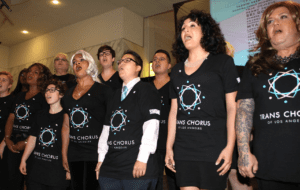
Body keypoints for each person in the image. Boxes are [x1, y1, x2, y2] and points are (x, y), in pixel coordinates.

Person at [166, 10, 239, 190]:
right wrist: (169, 146)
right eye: (182, 28)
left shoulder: (223, 62)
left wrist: (230, 146)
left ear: (206, 31)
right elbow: (174, 111)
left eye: (192, 26)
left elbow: (232, 107)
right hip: (184, 148)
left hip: (213, 145)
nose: (185, 31)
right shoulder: (175, 71)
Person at [236, 2, 300, 190]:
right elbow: (244, 111)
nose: (275, 24)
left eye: (283, 17)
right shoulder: (254, 65)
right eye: (269, 21)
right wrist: (244, 152)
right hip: (270, 165)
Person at [96, 50, 161, 190]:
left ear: (138, 68)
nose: (121, 64)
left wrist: (142, 159)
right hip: (110, 168)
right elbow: (107, 129)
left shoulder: (146, 90)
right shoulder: (113, 95)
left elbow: (152, 125)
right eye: (120, 61)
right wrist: (101, 159)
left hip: (136, 166)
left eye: (127, 61)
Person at [61, 50, 112, 190]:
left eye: (81, 60)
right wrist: (64, 153)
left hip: (96, 151)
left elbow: (111, 124)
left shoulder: (104, 91)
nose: (77, 63)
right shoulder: (68, 93)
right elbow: (66, 126)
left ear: (90, 63)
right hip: (74, 152)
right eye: (74, 62)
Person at [4, 63, 51, 190]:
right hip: (13, 145)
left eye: (35, 72)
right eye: (30, 71)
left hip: (33, 147)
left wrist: (25, 142)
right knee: (11, 183)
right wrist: (7, 139)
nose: (30, 74)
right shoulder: (19, 95)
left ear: (43, 77)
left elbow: (44, 125)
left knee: (31, 184)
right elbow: (11, 118)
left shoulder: (44, 98)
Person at [19, 78, 69, 190]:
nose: (48, 93)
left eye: (52, 90)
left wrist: (68, 169)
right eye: (46, 90)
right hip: (36, 171)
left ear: (61, 94)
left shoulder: (66, 116)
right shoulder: (40, 114)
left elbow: (69, 145)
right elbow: (33, 138)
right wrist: (23, 159)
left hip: (57, 173)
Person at [142, 49, 179, 190]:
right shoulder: (145, 87)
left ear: (169, 65)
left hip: (172, 141)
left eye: (161, 59)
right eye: (155, 59)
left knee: (175, 181)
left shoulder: (175, 85)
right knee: (154, 182)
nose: (157, 61)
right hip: (150, 142)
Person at [225, 41, 253, 190]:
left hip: (239, 133)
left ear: (231, 52)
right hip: (217, 134)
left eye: (224, 48)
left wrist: (248, 133)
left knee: (237, 176)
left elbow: (248, 104)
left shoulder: (243, 71)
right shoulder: (210, 75)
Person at [0, 71, 14, 190]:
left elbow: (14, 124)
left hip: (4, 144)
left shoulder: (14, 101)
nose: (0, 82)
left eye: (4, 80)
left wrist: (4, 141)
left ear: (10, 85)